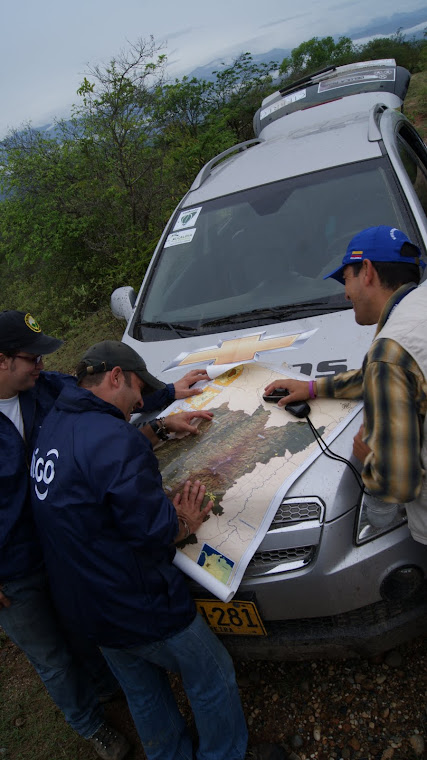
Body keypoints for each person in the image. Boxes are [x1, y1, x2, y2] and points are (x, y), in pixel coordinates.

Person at [0, 311, 210, 760]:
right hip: (12, 565)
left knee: (84, 630)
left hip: (61, 543)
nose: (41, 365)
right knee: (52, 658)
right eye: (30, 357)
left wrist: (167, 398)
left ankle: (112, 686)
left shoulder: (43, 388)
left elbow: (100, 402)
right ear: (1, 361)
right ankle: (91, 725)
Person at [30, 339, 248, 760]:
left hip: (83, 603)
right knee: (213, 673)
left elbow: (91, 469)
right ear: (116, 376)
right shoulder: (114, 438)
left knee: (143, 690)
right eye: (137, 391)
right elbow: (154, 531)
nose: (139, 402)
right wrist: (184, 519)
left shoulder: (56, 421)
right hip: (135, 599)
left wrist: (159, 429)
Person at [264, 225, 427, 542]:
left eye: (346, 279)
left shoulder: (390, 352)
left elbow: (399, 485)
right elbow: (398, 375)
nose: (345, 293)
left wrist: (368, 458)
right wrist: (313, 388)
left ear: (367, 271)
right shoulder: (417, 312)